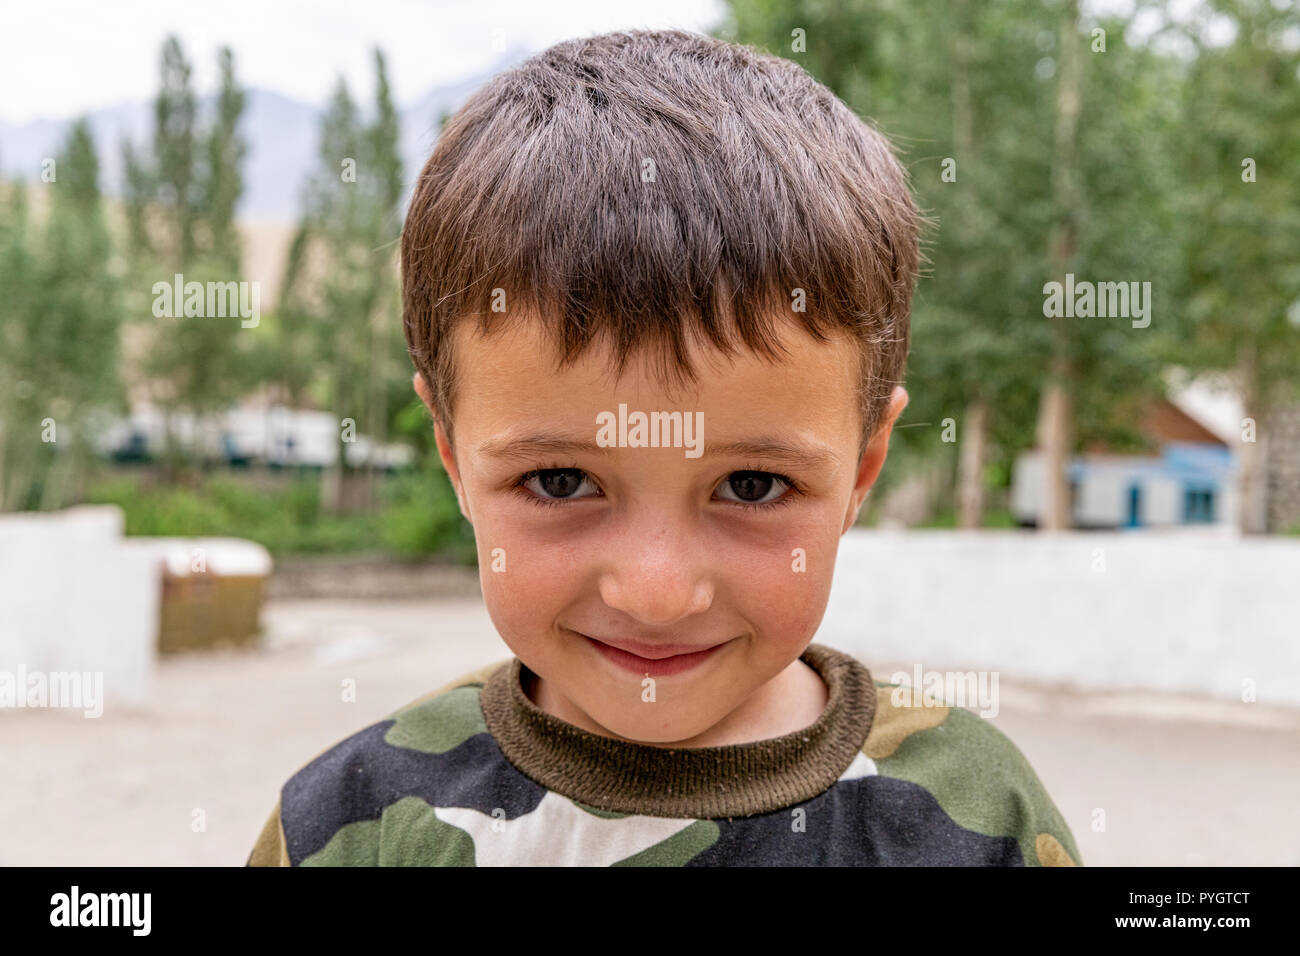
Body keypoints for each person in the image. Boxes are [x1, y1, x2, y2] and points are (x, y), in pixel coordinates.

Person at [248, 28, 1080, 866]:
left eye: (753, 486)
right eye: (562, 480)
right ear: (455, 458)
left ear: (864, 468)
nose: (656, 593)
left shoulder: (972, 817)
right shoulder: (351, 823)